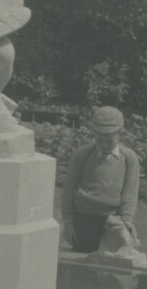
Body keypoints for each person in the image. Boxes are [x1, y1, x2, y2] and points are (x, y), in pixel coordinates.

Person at [61, 106, 142, 254]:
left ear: (121, 133)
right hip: (83, 219)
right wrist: (68, 221)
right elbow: (68, 190)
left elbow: (130, 193)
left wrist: (127, 220)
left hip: (114, 220)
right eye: (99, 139)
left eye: (109, 141)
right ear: (93, 133)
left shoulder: (129, 158)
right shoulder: (82, 155)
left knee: (112, 263)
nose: (104, 145)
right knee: (82, 261)